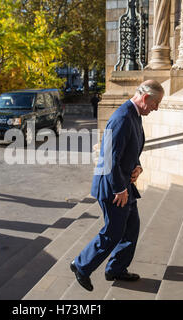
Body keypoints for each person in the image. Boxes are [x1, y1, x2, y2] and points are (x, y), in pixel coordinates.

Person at [70, 80, 164, 291]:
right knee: (113, 231)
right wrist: (119, 189)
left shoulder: (135, 115)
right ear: (146, 98)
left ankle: (116, 269)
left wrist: (137, 166)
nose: (156, 108)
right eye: (156, 103)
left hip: (123, 184)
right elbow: (108, 158)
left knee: (131, 228)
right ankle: (81, 265)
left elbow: (131, 149)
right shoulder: (122, 117)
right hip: (113, 188)